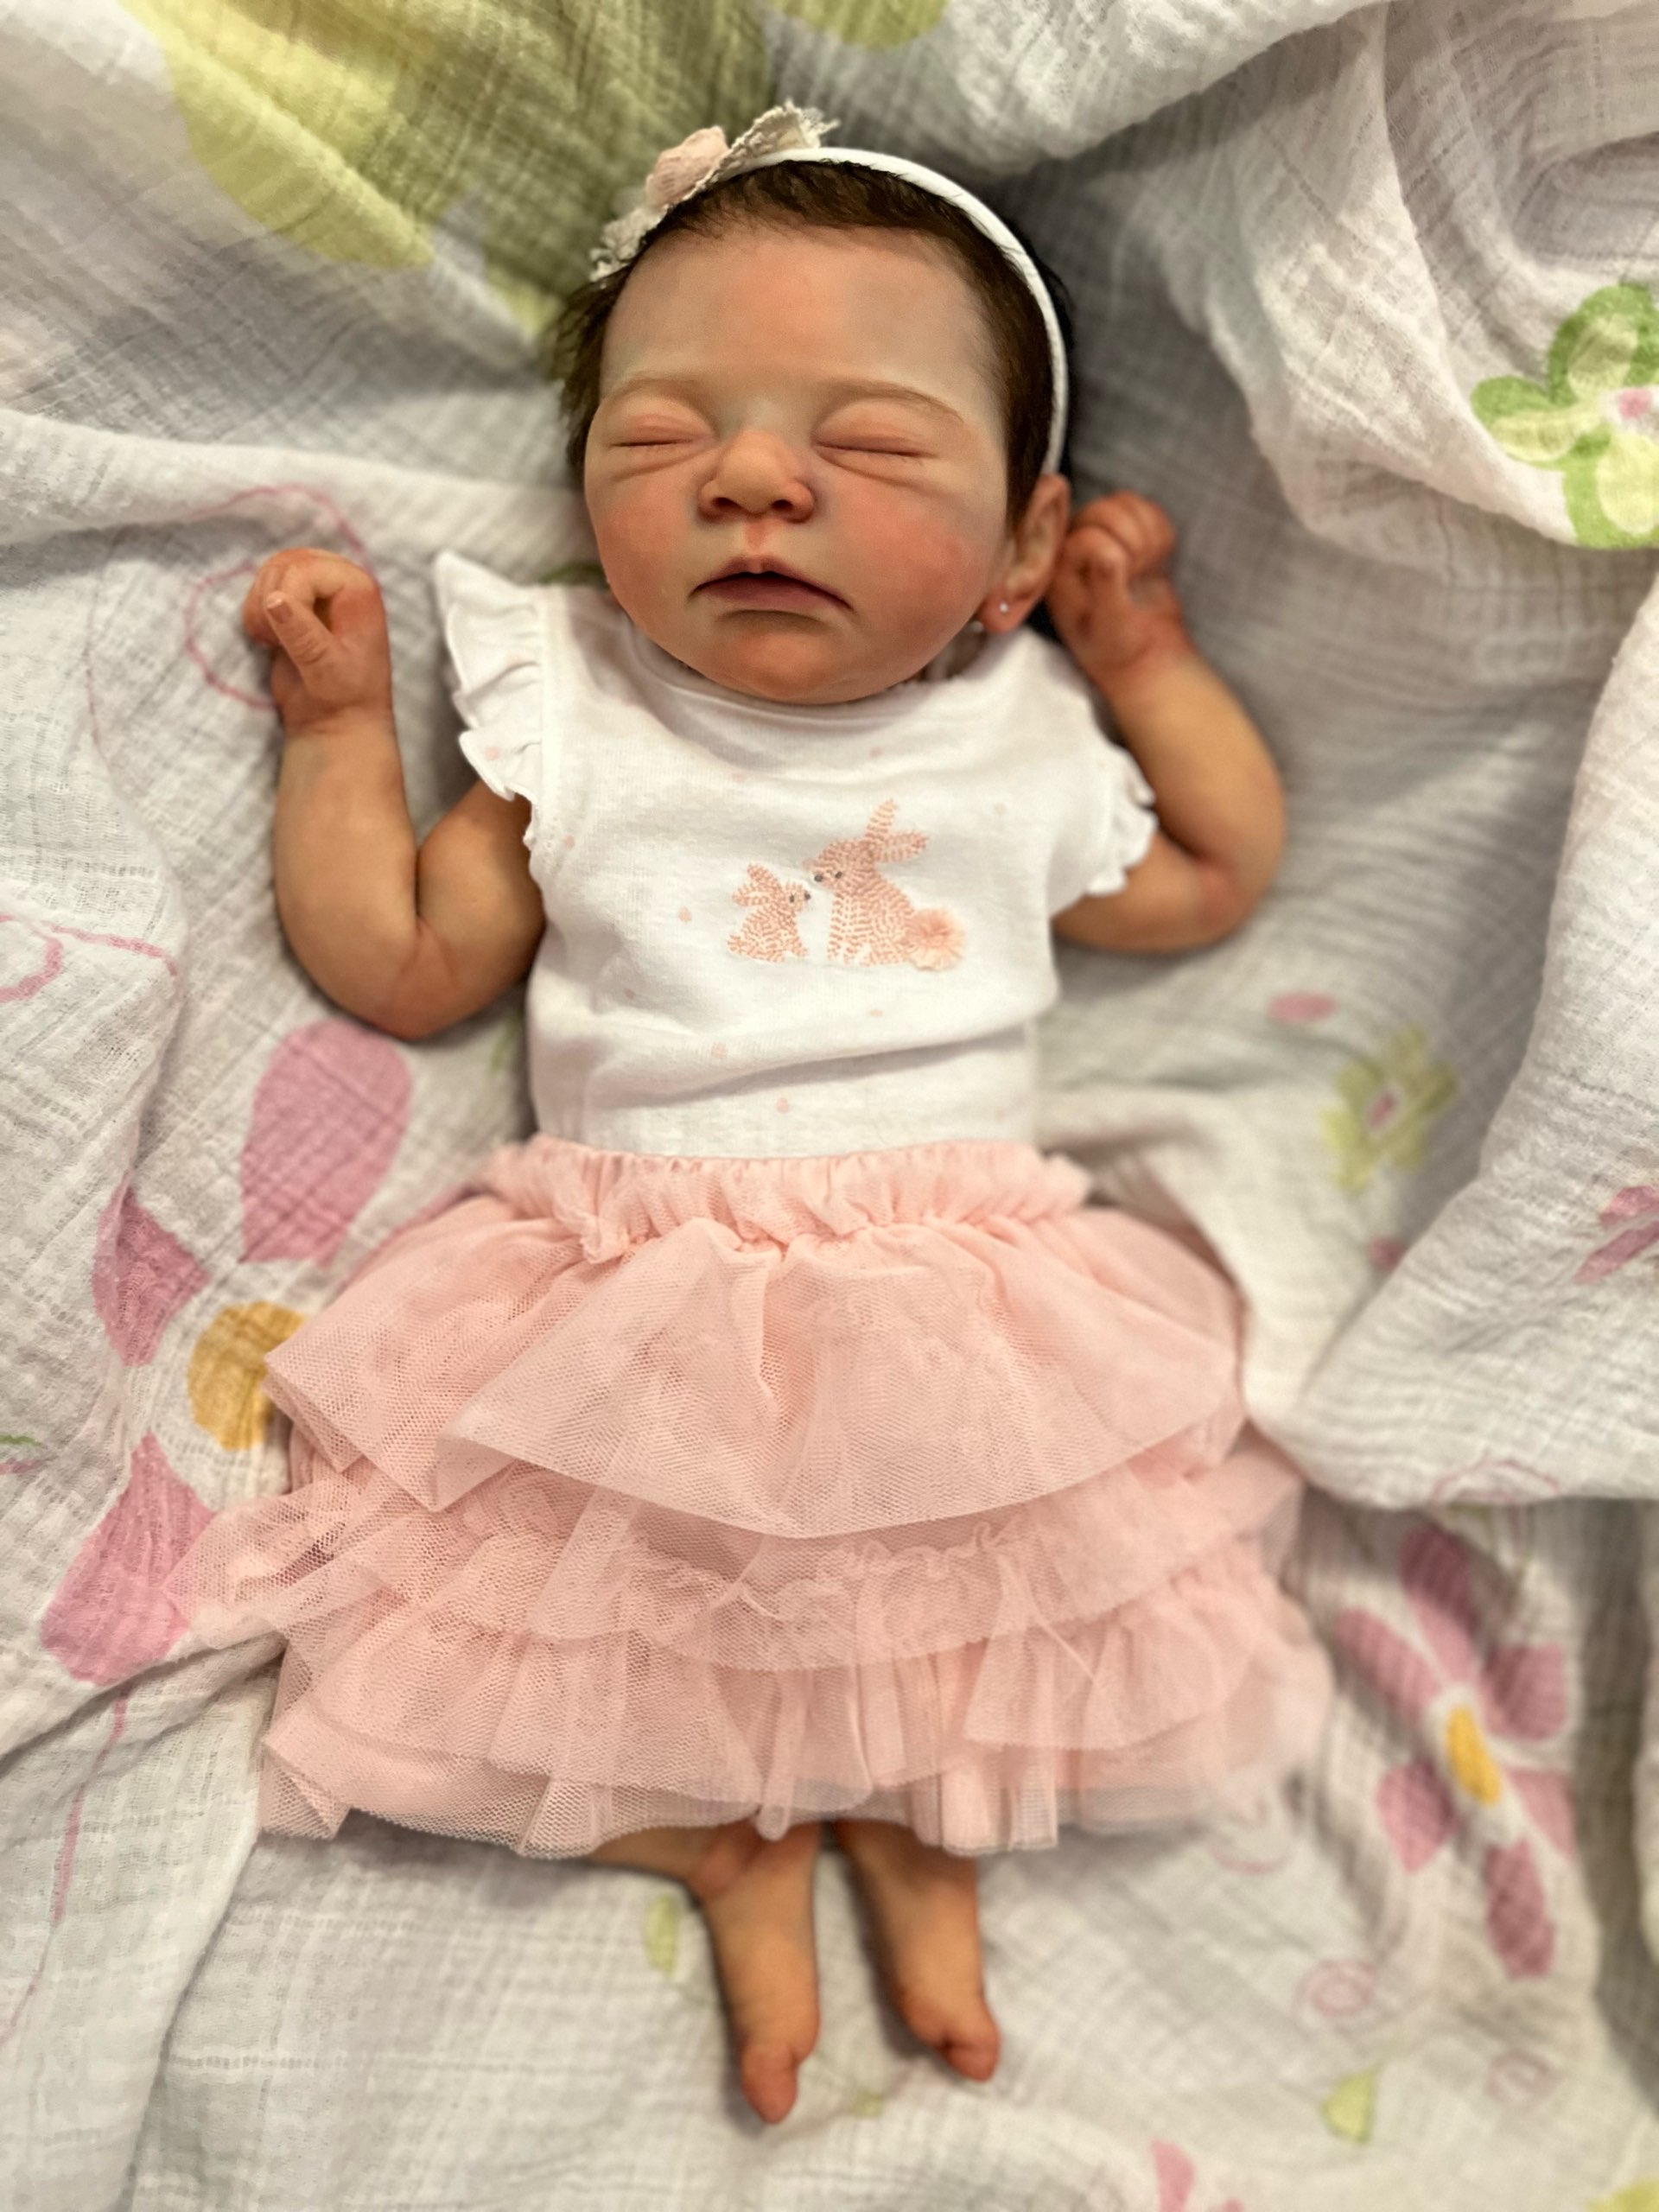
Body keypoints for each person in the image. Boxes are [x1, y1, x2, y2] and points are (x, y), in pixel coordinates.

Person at [168, 105, 1332, 2126]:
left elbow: (1215, 873)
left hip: (962, 1296)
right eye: (662, 438)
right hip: (635, 1283)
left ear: (1021, 551)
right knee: (648, 1607)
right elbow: (411, 960)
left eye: (865, 444)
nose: (756, 478)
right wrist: (341, 734)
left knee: (948, 1599)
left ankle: (921, 1825)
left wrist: (1140, 658)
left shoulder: (1023, 740)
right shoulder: (577, 715)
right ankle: (731, 1841)